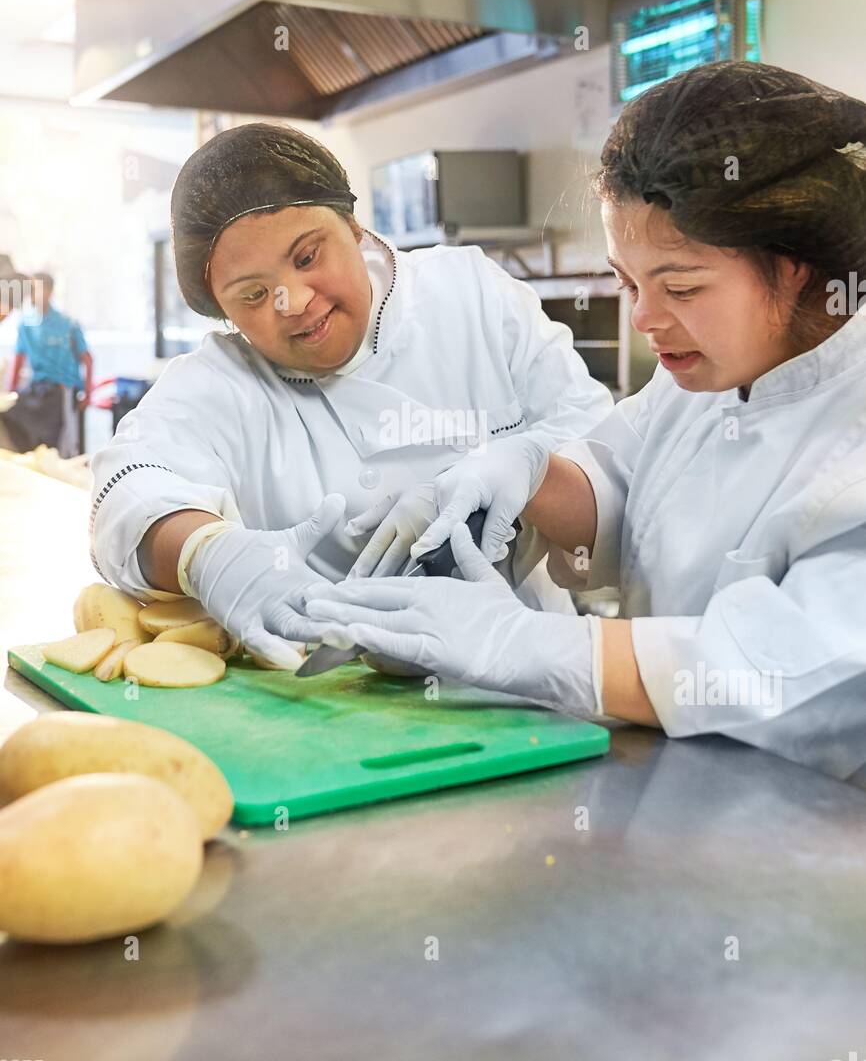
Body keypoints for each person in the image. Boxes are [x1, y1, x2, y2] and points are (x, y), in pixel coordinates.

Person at [305, 62, 866, 787]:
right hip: (678, 794)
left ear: (793, 266)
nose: (646, 319)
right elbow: (626, 484)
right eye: (627, 282)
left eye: (682, 286)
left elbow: (804, 667)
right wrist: (523, 477)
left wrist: (535, 647)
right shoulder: (708, 374)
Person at [88, 123, 612, 668]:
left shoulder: (471, 294)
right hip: (327, 704)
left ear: (353, 225)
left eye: (308, 257)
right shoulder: (221, 380)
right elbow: (126, 493)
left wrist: (508, 483)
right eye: (254, 294)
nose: (293, 301)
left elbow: (601, 449)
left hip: (532, 678)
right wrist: (208, 554)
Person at [6, 272, 92, 458]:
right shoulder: (25, 324)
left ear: (50, 291)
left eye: (38, 288)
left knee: (62, 446)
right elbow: (18, 360)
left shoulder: (67, 324)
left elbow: (87, 359)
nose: (33, 293)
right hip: (36, 390)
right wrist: (9, 391)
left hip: (62, 392)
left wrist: (88, 392)